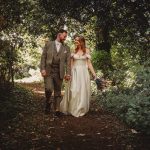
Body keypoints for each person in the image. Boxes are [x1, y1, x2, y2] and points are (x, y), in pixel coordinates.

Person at [60, 35, 96, 117]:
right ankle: (73, 108)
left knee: (82, 90)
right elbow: (71, 64)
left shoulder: (87, 50)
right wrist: (69, 74)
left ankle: (81, 108)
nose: (75, 41)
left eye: (77, 40)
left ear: (82, 42)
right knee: (74, 90)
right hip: (75, 72)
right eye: (75, 40)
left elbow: (89, 64)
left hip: (83, 73)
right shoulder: (73, 50)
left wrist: (94, 75)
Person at [40, 29, 71, 116]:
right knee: (49, 88)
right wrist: (42, 69)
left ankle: (57, 110)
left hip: (59, 72)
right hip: (48, 71)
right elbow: (43, 57)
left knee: (58, 92)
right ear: (59, 35)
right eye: (64, 36)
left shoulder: (66, 48)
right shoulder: (48, 44)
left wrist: (68, 73)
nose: (65, 38)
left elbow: (68, 62)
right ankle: (48, 101)